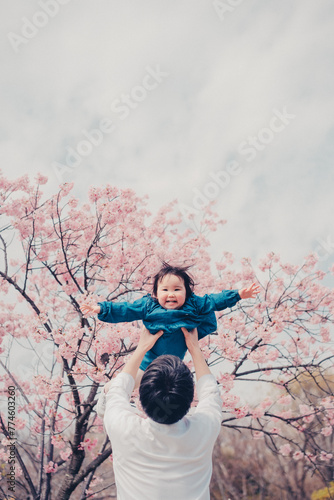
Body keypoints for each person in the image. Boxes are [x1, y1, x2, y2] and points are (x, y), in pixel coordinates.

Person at [99, 325, 224, 500]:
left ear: (141, 397)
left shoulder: (123, 428)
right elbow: (211, 392)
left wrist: (142, 348)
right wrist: (194, 348)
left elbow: (116, 389)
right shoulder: (205, 428)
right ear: (190, 399)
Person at [81, 262, 259, 382]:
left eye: (177, 289)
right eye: (165, 289)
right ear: (156, 293)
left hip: (173, 365)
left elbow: (214, 300)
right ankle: (108, 392)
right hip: (147, 363)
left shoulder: (193, 304)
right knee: (130, 383)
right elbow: (126, 310)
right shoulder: (149, 305)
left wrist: (239, 294)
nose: (171, 294)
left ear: (186, 292)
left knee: (174, 388)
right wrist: (102, 309)